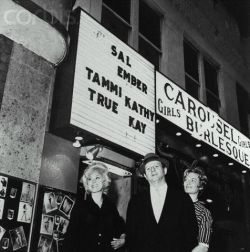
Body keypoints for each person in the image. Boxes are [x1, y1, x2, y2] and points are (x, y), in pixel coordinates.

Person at [126, 153, 198, 252]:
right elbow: (131, 236)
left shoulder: (182, 198)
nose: (152, 170)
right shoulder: (136, 201)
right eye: (148, 169)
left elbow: (191, 233)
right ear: (145, 176)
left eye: (156, 166)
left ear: (165, 170)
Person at [63, 162, 126, 252]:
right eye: (89, 179)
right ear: (87, 182)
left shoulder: (110, 206)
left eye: (97, 178)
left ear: (104, 180)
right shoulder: (81, 206)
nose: (93, 182)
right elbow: (70, 237)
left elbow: (120, 227)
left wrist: (123, 239)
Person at [183, 166, 213, 252]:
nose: (188, 182)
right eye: (186, 179)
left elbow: (203, 246)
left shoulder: (204, 212)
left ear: (200, 186)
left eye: (193, 180)